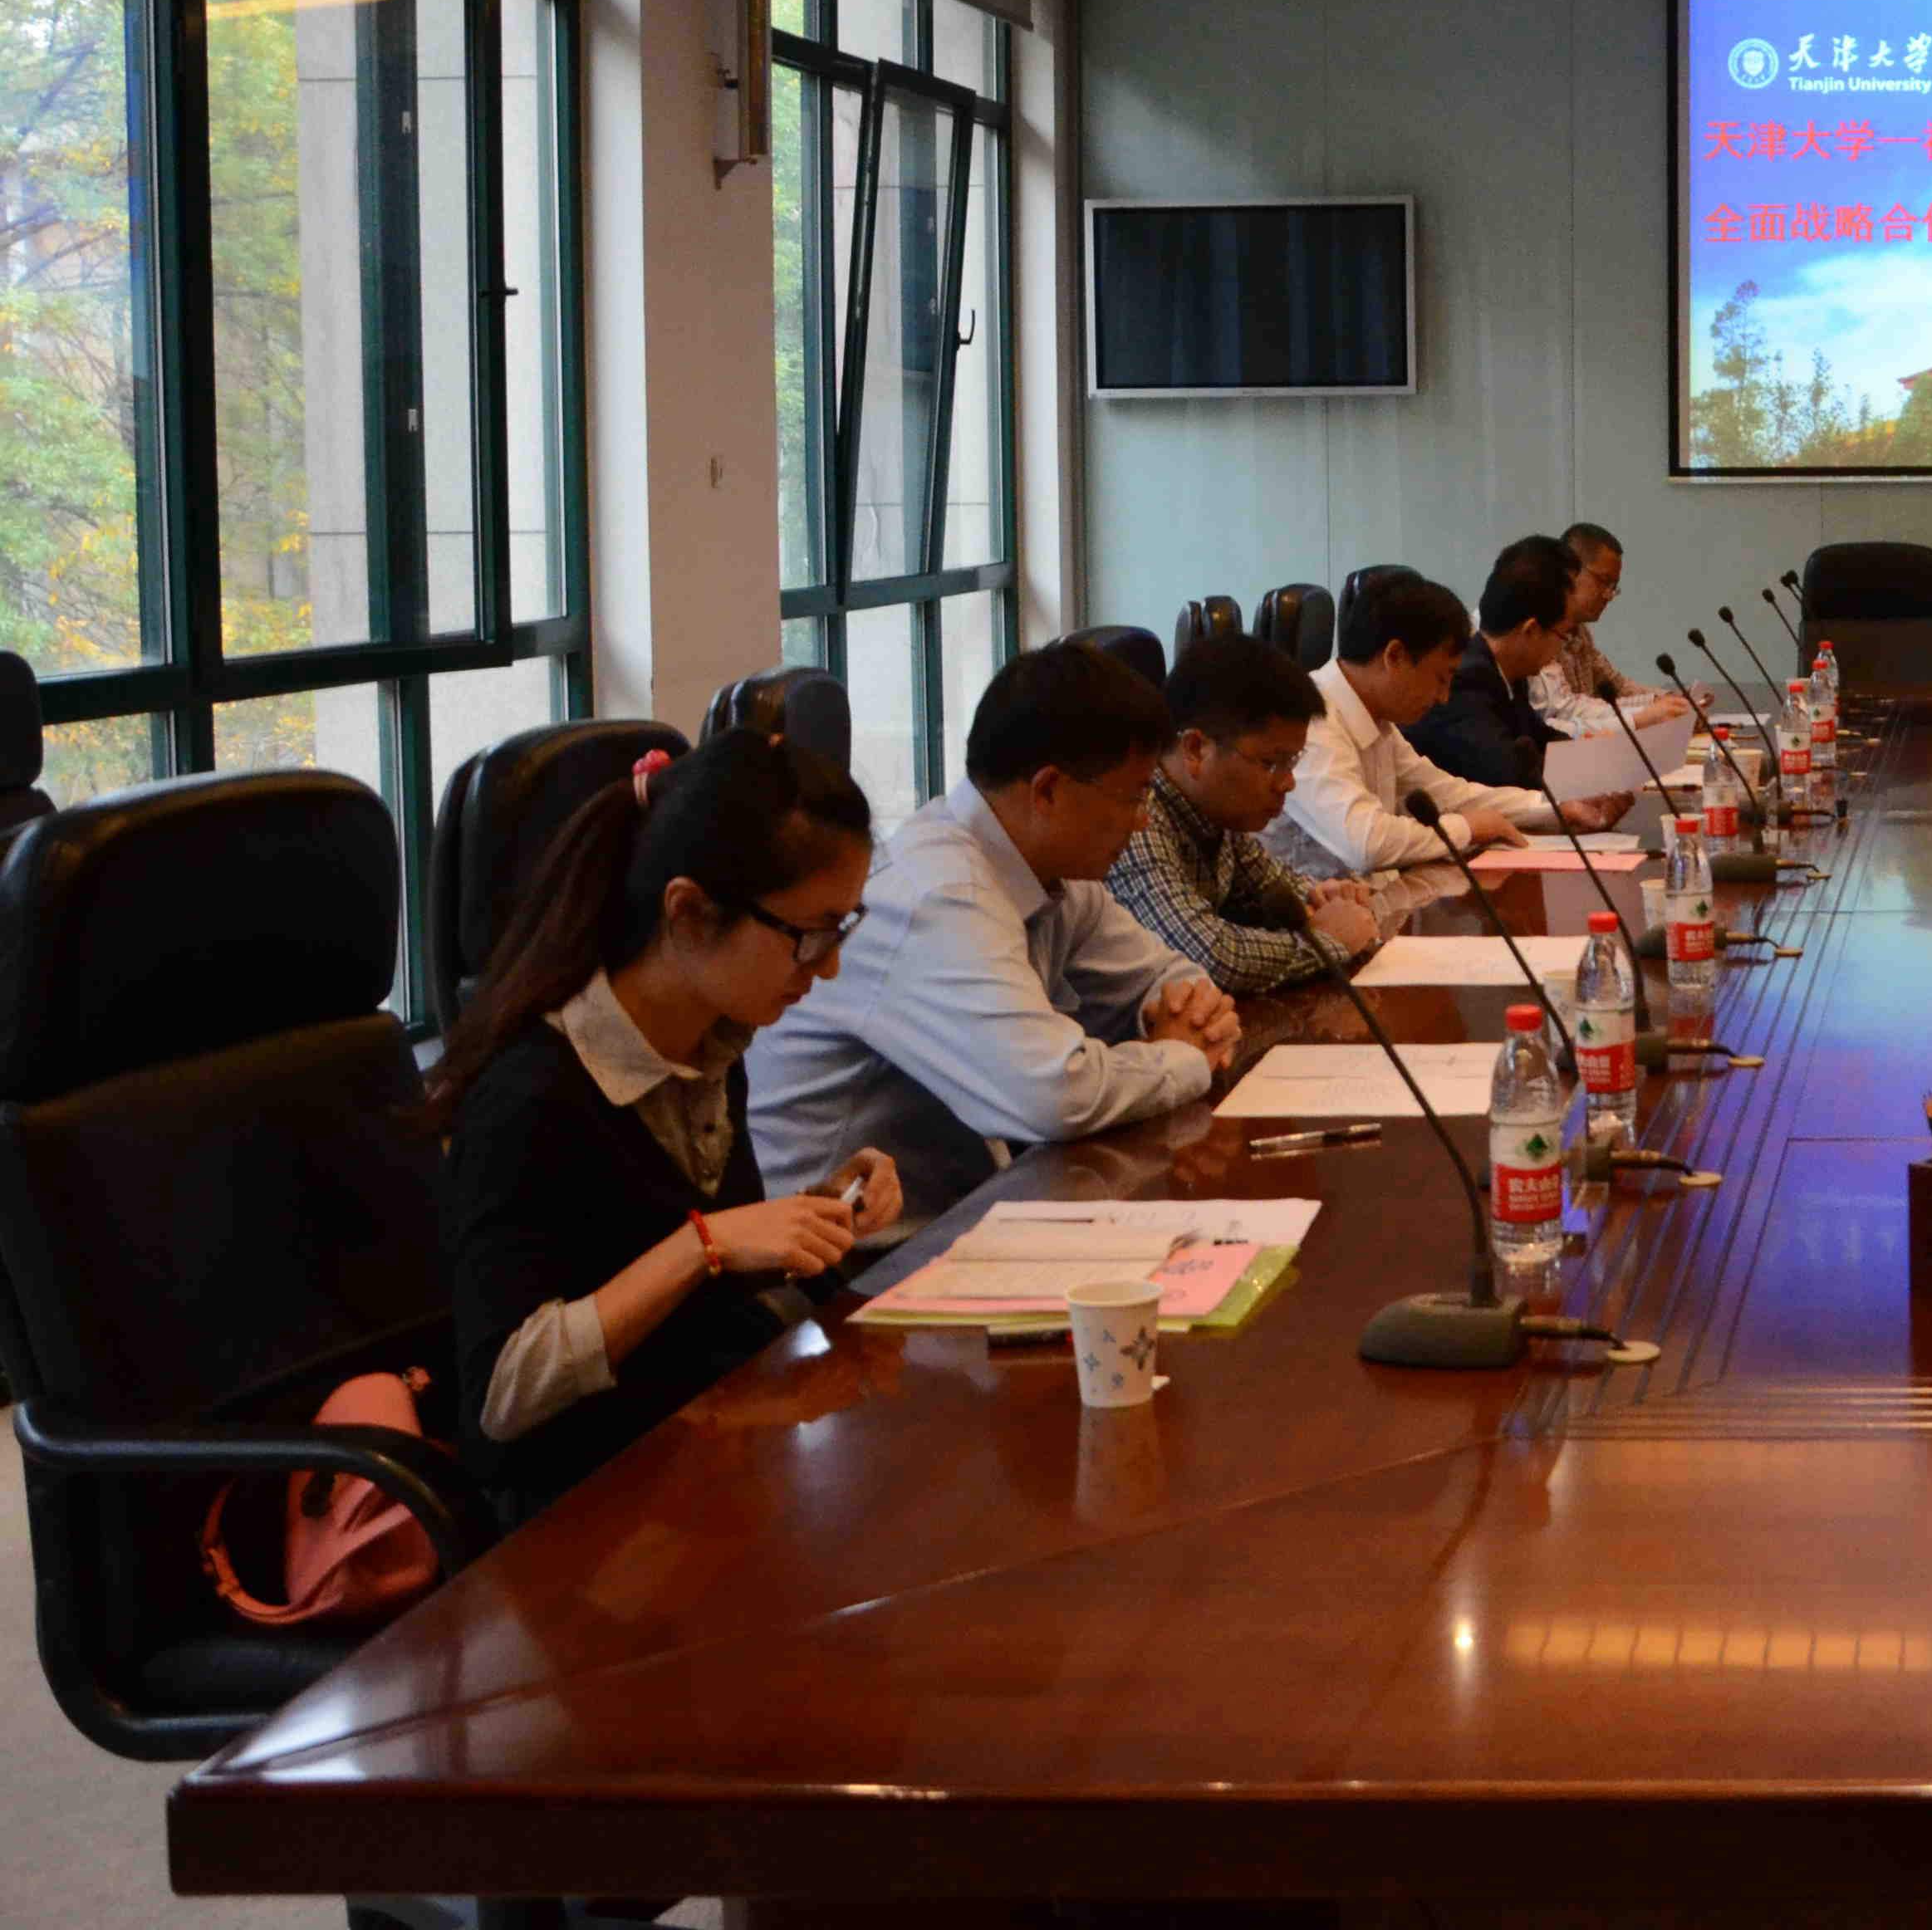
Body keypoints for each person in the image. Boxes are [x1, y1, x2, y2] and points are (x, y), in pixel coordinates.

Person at [437, 732, 903, 1516]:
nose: (827, 967)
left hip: (709, 1453)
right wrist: (702, 1245)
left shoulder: (713, 1042)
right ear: (687, 911)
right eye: (809, 935)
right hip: (586, 1513)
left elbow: (692, 1295)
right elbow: (501, 1398)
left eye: (842, 929)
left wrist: (815, 1216)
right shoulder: (530, 1096)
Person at [749, 642, 1243, 1223]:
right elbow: (1052, 1096)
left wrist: (1189, 1012)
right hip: (846, 1251)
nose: (1143, 821)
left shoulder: (1055, 872)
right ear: (1048, 790)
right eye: (1134, 797)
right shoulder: (936, 895)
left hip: (960, 1214)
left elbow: (1169, 975)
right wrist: (1181, 1057)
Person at [1111, 632, 1391, 995]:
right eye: (1271, 763)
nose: (1288, 783)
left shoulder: (1217, 816)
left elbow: (1276, 886)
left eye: (1292, 761)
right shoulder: (1137, 818)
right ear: (1195, 749)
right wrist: (1329, 943)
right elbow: (1212, 957)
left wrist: (1325, 896)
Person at [1276, 569, 1597, 875]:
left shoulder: (1378, 719)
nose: (1444, 698)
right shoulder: (1312, 720)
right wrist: (1468, 828)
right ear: (1395, 656)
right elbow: (1367, 843)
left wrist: (1555, 808)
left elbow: (1447, 794)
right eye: (1441, 679)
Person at [1416, 554, 1596, 796]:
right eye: (1563, 636)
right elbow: (1510, 773)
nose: (1559, 651)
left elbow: (1540, 737)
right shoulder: (1466, 680)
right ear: (1531, 631)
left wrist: (1592, 758)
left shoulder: (1506, 672)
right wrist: (1589, 777)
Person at [1547, 521, 1688, 728]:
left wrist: (1669, 701)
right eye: (1603, 581)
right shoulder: (1540, 630)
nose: (1609, 595)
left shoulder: (1580, 631)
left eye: (1613, 586)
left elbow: (1618, 686)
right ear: (1569, 571)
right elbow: (1564, 710)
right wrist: (1648, 714)